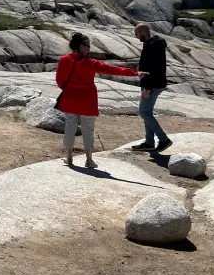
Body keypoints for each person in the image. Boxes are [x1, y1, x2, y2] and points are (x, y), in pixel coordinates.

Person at [56, 32, 144, 169]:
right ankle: (89, 160)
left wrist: (70, 89)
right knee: (88, 129)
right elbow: (113, 70)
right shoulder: (91, 63)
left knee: (70, 127)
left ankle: (68, 158)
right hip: (87, 101)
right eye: (88, 46)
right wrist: (135, 73)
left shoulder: (63, 60)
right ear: (81, 46)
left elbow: (60, 81)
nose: (89, 49)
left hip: (69, 99)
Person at [131, 23, 173, 153]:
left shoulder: (153, 46)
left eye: (137, 34)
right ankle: (149, 142)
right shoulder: (152, 44)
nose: (137, 37)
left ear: (143, 32)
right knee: (147, 112)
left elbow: (153, 68)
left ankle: (163, 139)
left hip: (152, 84)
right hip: (153, 83)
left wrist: (147, 88)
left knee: (144, 113)